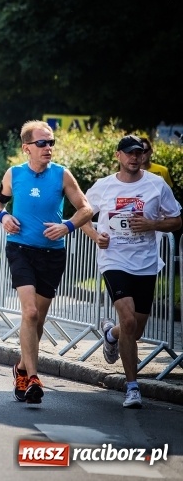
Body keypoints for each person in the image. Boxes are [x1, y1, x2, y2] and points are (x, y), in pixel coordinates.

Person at [0, 120, 92, 404]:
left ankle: (21, 368)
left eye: (51, 143)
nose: (48, 148)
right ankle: (33, 377)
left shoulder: (62, 175)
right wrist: (3, 217)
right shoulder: (15, 174)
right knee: (31, 312)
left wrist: (68, 226)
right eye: (42, 143)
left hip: (52, 253)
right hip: (20, 248)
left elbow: (86, 208)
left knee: (38, 319)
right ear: (27, 148)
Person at [81, 135, 181, 409]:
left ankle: (110, 335)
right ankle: (132, 388)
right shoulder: (103, 186)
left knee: (133, 331)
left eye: (139, 152)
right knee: (128, 321)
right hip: (114, 260)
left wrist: (152, 224)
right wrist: (94, 235)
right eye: (129, 153)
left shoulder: (156, 185)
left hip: (146, 263)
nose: (134, 157)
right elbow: (82, 215)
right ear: (118, 156)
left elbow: (176, 220)